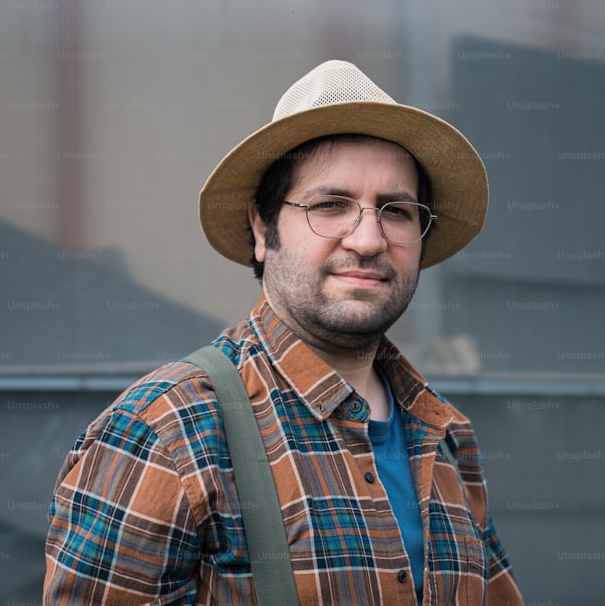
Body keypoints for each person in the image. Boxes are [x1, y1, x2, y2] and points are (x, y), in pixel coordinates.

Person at [43, 60, 524, 605]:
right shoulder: (165, 434)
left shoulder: (447, 435)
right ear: (261, 227)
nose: (368, 238)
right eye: (329, 205)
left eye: (396, 210)